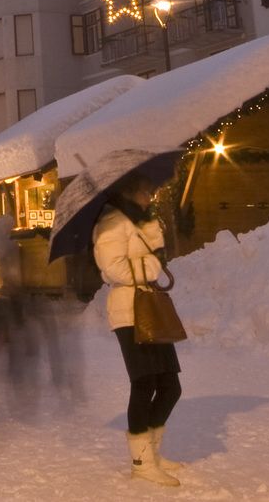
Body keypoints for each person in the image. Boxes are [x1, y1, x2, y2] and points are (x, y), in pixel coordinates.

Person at [93, 170, 185, 486]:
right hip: (129, 310)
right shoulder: (111, 223)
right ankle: (141, 462)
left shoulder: (140, 222)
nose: (151, 197)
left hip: (150, 304)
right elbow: (112, 268)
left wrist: (152, 237)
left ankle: (153, 452)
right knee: (144, 384)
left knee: (171, 386)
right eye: (147, 191)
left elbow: (157, 256)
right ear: (130, 192)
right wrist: (151, 266)